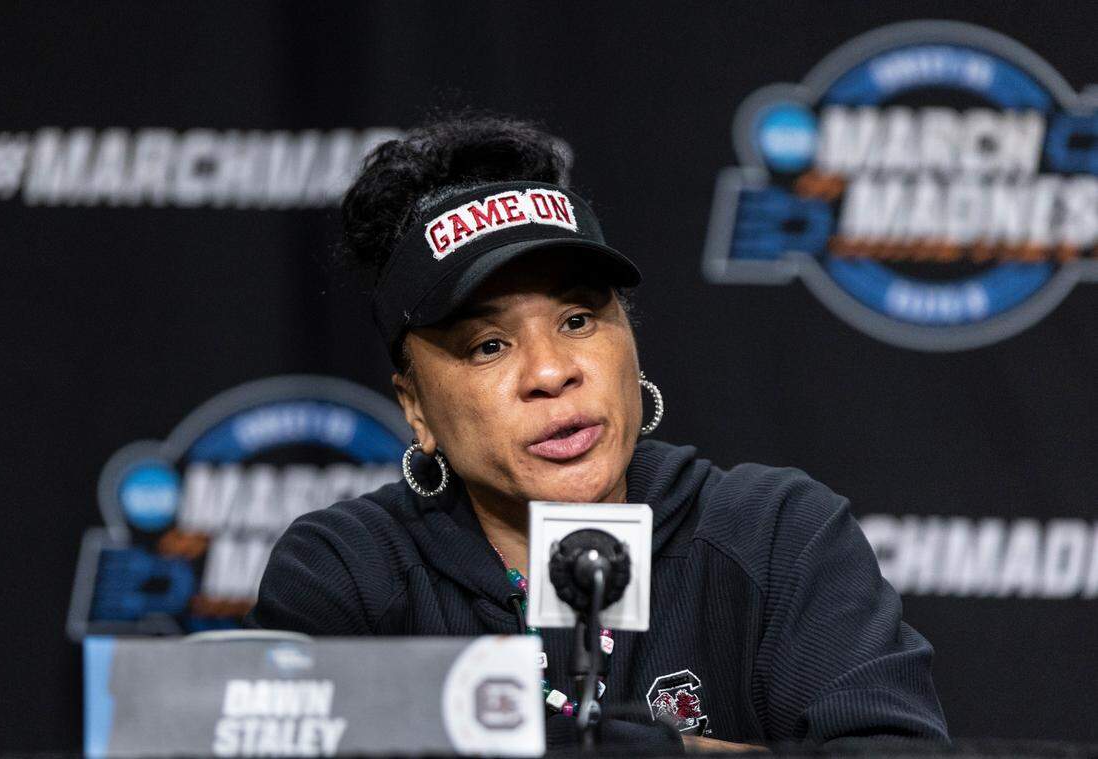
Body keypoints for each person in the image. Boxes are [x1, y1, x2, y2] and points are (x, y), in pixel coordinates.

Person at [248, 116, 949, 751]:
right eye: (488, 344)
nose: (551, 371)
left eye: (578, 319)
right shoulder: (346, 574)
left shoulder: (774, 536)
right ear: (417, 407)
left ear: (631, 342)